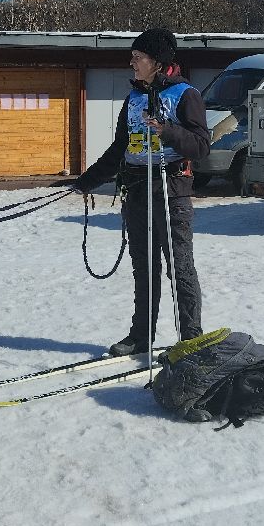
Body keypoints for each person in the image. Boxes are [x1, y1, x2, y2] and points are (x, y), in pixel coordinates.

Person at [73, 29, 212, 356]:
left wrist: (167, 130)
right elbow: (119, 148)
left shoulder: (185, 94)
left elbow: (201, 146)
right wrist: (87, 181)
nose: (132, 63)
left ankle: (190, 340)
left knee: (179, 268)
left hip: (171, 191)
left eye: (138, 57)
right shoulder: (133, 98)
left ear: (157, 62)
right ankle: (141, 335)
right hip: (136, 190)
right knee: (144, 268)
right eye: (133, 57)